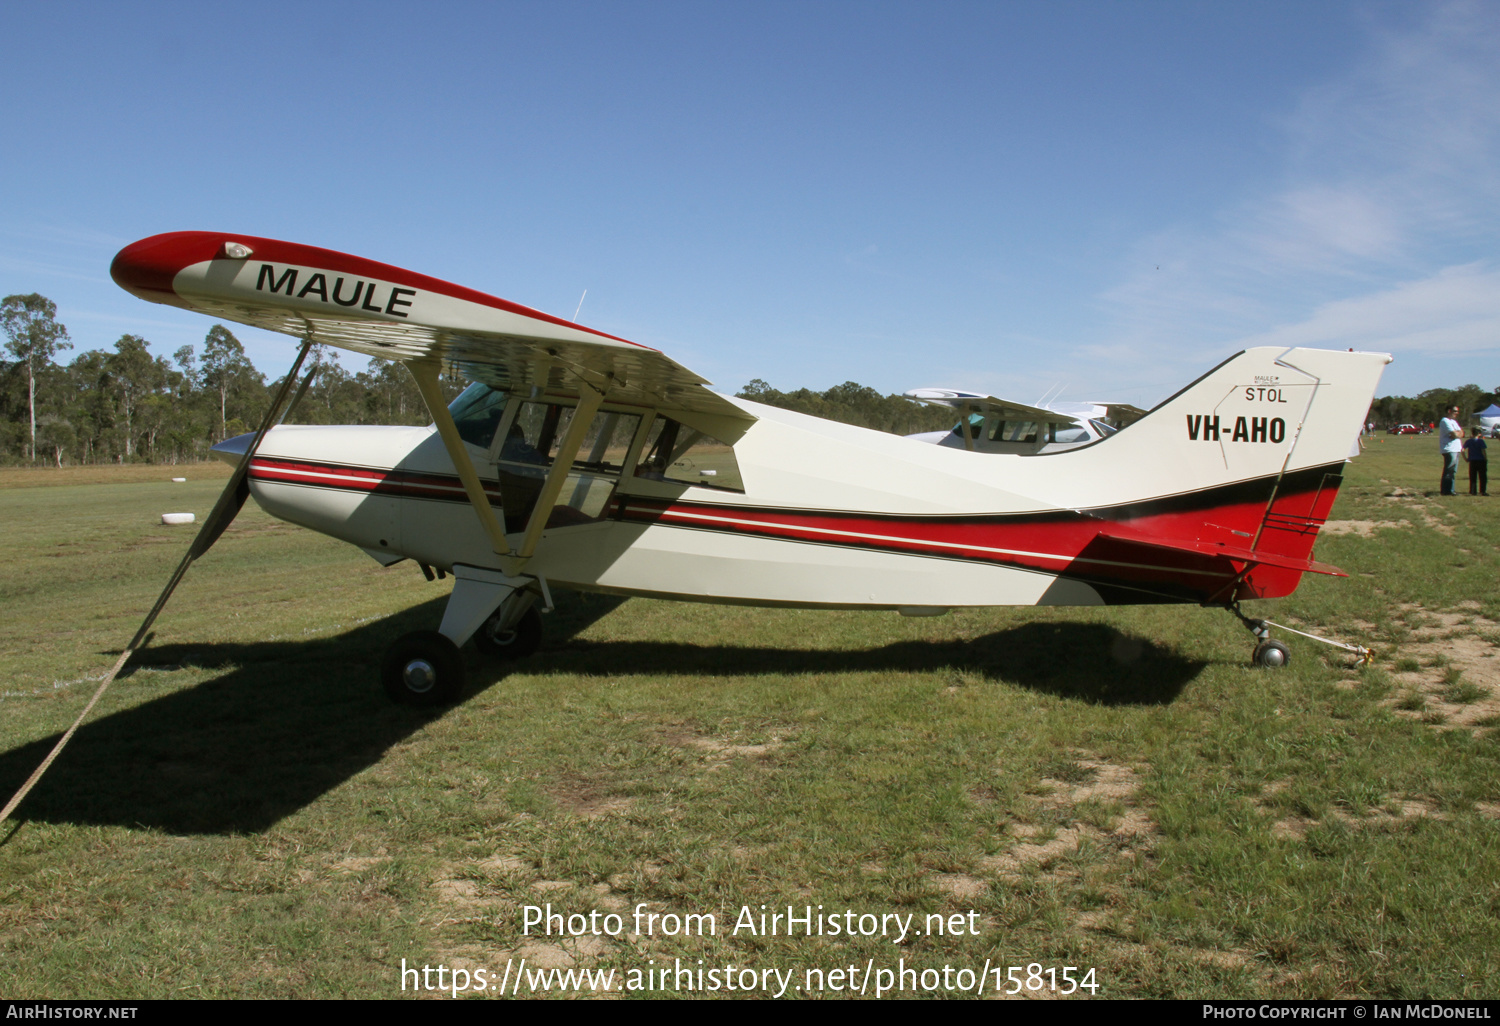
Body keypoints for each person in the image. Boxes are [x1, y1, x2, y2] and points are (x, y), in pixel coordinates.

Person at [1438, 405, 1463, 495]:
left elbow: (1461, 433)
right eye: (1455, 411)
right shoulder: (1445, 421)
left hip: (1456, 448)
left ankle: (1451, 490)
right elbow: (1454, 434)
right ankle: (1446, 490)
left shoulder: (1454, 422)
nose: (1457, 413)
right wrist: (1456, 434)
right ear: (1449, 411)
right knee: (1449, 470)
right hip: (1449, 449)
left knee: (1453, 471)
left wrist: (1457, 433)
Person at [1464, 427, 1489, 496]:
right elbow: (1483, 451)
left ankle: (1473, 491)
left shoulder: (1468, 441)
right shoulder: (1480, 441)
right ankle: (1483, 491)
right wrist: (1486, 458)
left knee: (1473, 476)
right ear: (1479, 434)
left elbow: (1463, 450)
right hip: (1481, 460)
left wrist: (1465, 458)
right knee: (1483, 477)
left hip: (1472, 460)